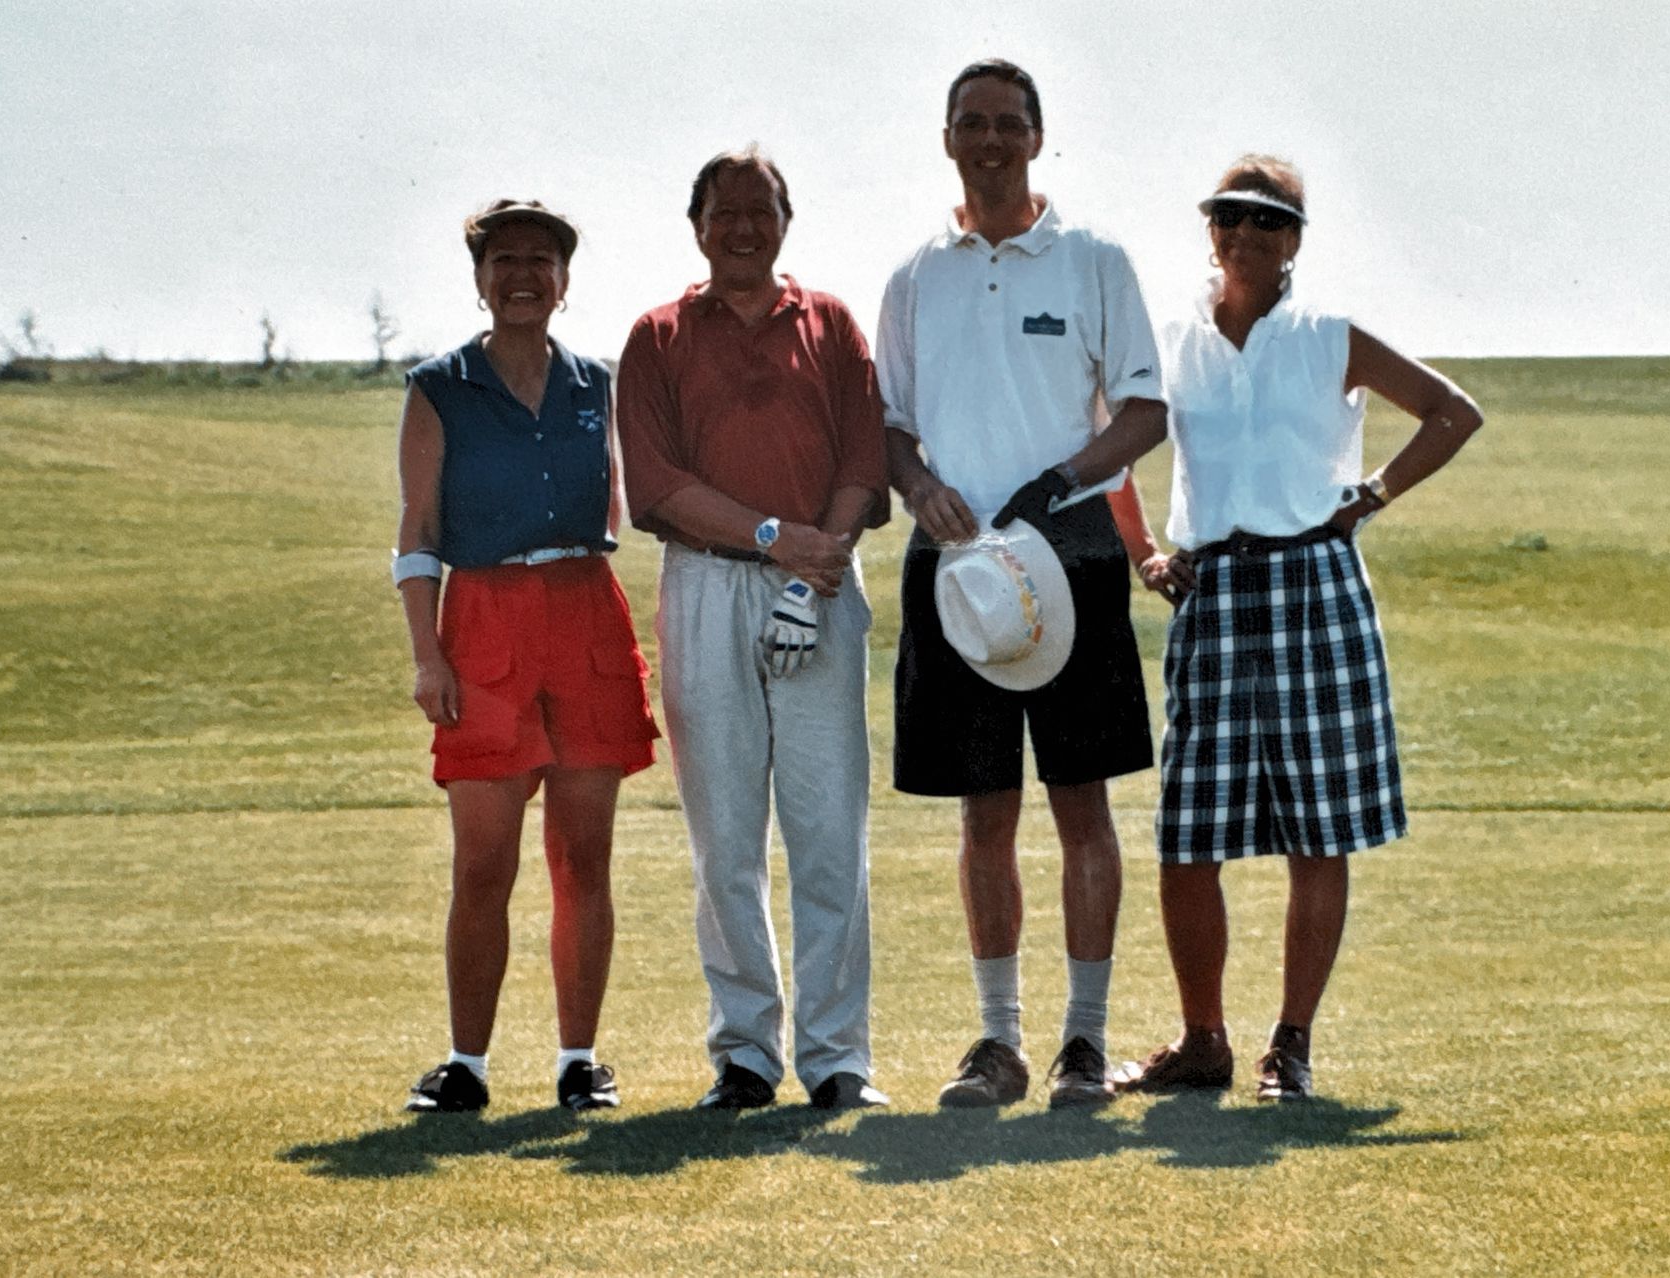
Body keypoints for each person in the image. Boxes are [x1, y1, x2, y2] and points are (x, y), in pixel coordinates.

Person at [1113, 156, 1484, 1101]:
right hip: (1211, 589)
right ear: (1210, 228)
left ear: (1295, 241)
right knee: (1188, 834)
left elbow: (1453, 413)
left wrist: (1372, 495)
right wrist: (1144, 554)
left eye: (1268, 220)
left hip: (1315, 582)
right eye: (1229, 216)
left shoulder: (1329, 336)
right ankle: (1203, 1040)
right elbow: (1109, 443)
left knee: (1318, 832)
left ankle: (1292, 1044)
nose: (1245, 234)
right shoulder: (1171, 339)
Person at [876, 59, 1169, 1109]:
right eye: (972, 123)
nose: (990, 140)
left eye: (1008, 123)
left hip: (1073, 557)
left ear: (1037, 137)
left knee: (1081, 804)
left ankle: (1083, 1043)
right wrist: (918, 488)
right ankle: (997, 1044)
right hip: (957, 567)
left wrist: (1061, 482)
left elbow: (1144, 411)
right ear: (948, 138)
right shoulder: (915, 276)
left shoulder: (1093, 259)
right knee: (984, 811)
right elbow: (890, 426)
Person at [618, 147, 892, 1111]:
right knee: (726, 837)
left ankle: (837, 1057)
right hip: (708, 584)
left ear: (786, 220)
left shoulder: (831, 322)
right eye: (723, 212)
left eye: (759, 210)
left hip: (820, 581)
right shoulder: (657, 335)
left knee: (828, 833)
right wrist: (777, 539)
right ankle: (744, 1054)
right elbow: (658, 485)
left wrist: (815, 561)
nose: (742, 227)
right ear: (697, 225)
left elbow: (863, 460)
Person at [393, 199, 660, 1115]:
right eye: (503, 260)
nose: (522, 277)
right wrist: (428, 654)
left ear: (564, 279)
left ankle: (579, 1061)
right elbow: (418, 529)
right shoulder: (439, 387)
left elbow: (617, 505)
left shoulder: (594, 383)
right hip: (485, 622)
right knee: (483, 865)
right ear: (479, 278)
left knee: (584, 859)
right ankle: (466, 1064)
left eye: (540, 261)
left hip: (585, 615)